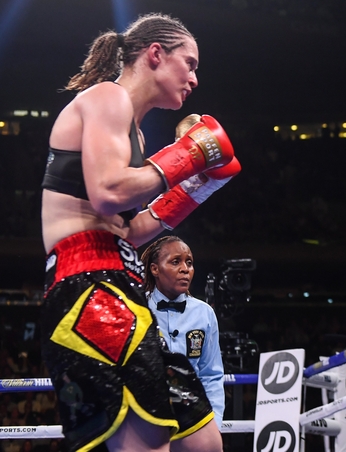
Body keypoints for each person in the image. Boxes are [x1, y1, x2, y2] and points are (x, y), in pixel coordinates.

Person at [40, 12, 239, 452]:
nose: (194, 79)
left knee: (204, 442)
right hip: (88, 292)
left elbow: (128, 232)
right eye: (189, 63)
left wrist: (197, 186)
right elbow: (109, 191)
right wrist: (187, 155)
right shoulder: (107, 98)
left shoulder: (135, 136)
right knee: (151, 445)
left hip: (120, 282)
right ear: (155, 55)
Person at [141, 236, 225, 431]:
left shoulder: (204, 313)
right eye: (175, 261)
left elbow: (211, 374)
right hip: (147, 419)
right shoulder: (136, 308)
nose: (185, 269)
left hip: (193, 418)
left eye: (189, 262)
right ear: (155, 269)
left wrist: (215, 423)